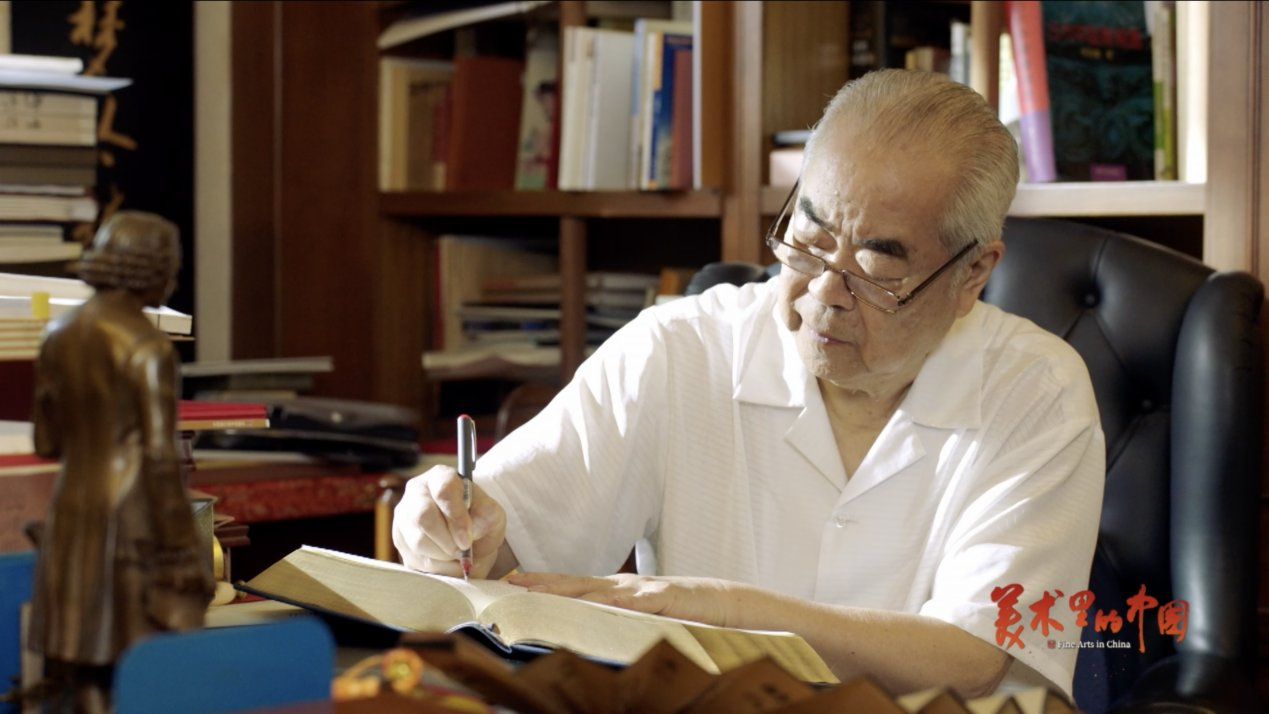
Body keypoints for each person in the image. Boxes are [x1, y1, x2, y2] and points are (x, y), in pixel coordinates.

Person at [394, 69, 1105, 699]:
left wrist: (723, 612)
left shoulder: (1036, 391)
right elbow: (509, 559)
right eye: (810, 241)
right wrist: (449, 532)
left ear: (972, 273)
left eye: (875, 269)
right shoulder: (679, 348)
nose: (823, 293)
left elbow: (973, 656)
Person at [29, 211, 214, 713]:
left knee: (84, 655)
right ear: (149, 268)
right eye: (171, 265)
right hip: (131, 516)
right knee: (129, 654)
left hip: (72, 507)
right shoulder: (148, 347)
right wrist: (180, 545)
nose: (174, 276)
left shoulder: (58, 332)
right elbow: (159, 457)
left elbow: (46, 441)